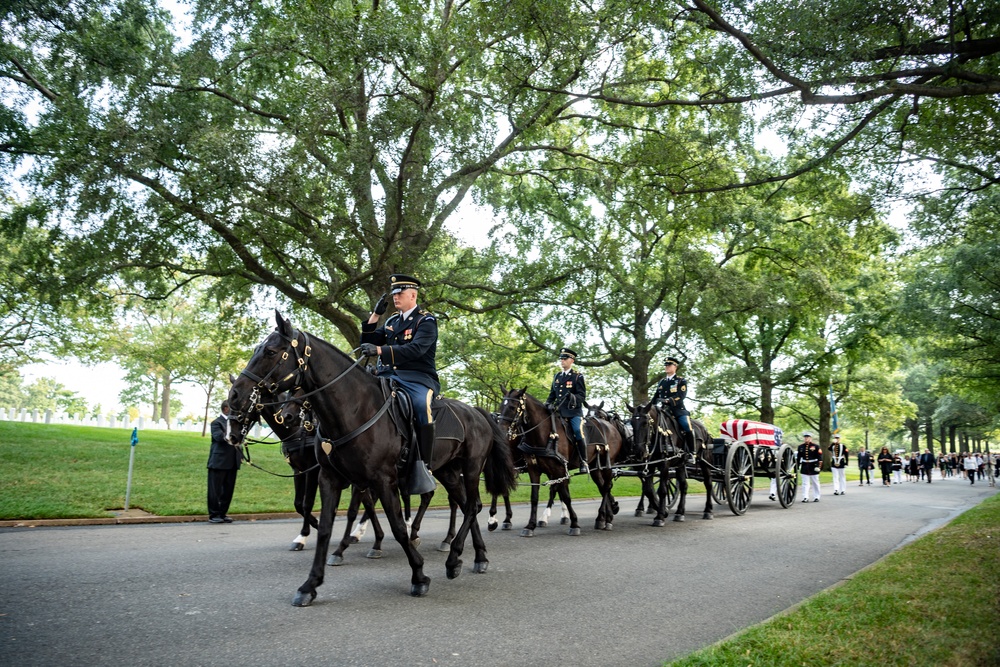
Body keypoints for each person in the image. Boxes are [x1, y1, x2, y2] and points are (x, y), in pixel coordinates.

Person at [360, 273, 439, 495]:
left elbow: (416, 350)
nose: (396, 298)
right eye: (394, 294)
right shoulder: (393, 321)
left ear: (413, 295)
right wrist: (375, 314)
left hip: (417, 377)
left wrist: (379, 351)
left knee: (422, 406)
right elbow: (368, 341)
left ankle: (424, 464)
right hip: (386, 375)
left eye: (400, 294)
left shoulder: (426, 321)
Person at [545, 347, 589, 474]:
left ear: (572, 361)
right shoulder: (557, 376)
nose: (562, 361)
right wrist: (548, 403)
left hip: (573, 412)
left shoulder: (577, 377)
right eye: (561, 359)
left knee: (577, 431)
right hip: (558, 412)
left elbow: (581, 396)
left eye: (565, 359)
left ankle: (584, 462)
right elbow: (552, 394)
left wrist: (572, 397)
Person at [651, 356, 695, 464]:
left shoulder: (680, 381)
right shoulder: (662, 382)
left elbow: (681, 395)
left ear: (675, 367)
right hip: (664, 411)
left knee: (687, 427)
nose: (666, 367)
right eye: (665, 365)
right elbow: (655, 397)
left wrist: (668, 401)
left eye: (669, 365)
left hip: (678, 410)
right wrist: (648, 407)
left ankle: (692, 453)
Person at [207, 400, 240, 523]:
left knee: (228, 490)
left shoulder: (236, 423)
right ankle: (214, 514)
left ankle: (222, 513)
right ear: (226, 409)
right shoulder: (216, 423)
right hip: (219, 461)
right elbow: (219, 437)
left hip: (232, 461)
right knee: (215, 490)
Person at [797, 432, 822, 502]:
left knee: (815, 482)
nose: (806, 438)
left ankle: (816, 496)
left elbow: (820, 457)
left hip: (813, 465)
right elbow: (798, 458)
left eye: (807, 437)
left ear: (810, 438)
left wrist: (818, 466)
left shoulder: (816, 446)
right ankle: (805, 497)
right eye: (805, 437)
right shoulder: (800, 447)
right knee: (805, 483)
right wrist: (797, 466)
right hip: (805, 465)